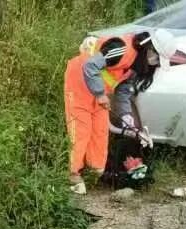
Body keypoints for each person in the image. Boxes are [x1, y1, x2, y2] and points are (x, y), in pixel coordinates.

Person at [64, 29, 177, 195]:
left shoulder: (136, 64)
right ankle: (73, 175)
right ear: (150, 49)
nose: (155, 64)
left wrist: (126, 116)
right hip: (79, 82)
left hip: (99, 92)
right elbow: (90, 66)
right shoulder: (121, 48)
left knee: (100, 133)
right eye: (157, 60)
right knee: (81, 132)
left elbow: (123, 91)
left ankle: (93, 172)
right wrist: (100, 94)